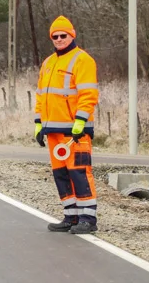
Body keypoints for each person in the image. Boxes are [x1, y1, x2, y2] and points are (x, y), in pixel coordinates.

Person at [34, 16, 100, 234]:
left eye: (64, 35)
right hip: (53, 131)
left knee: (79, 172)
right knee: (61, 175)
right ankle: (70, 217)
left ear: (72, 35)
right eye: (55, 36)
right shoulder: (48, 63)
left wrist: (80, 121)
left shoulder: (83, 60)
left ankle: (88, 219)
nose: (60, 39)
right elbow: (41, 96)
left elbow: (88, 94)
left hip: (75, 133)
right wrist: (38, 123)